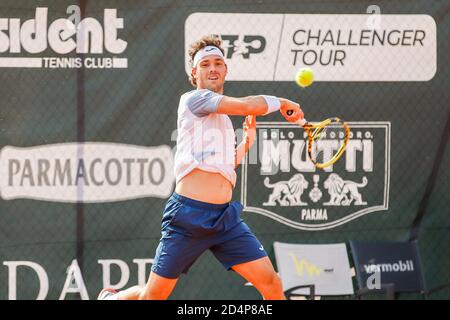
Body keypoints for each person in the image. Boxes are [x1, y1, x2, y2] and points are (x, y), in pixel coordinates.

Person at [98, 35, 303, 300]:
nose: (213, 68)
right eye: (205, 64)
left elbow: (224, 167)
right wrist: (284, 102)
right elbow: (247, 106)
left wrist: (247, 143)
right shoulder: (194, 100)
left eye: (218, 63)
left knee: (272, 284)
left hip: (225, 221)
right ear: (194, 73)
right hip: (187, 217)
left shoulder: (224, 121)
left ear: (226, 70)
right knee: (154, 297)